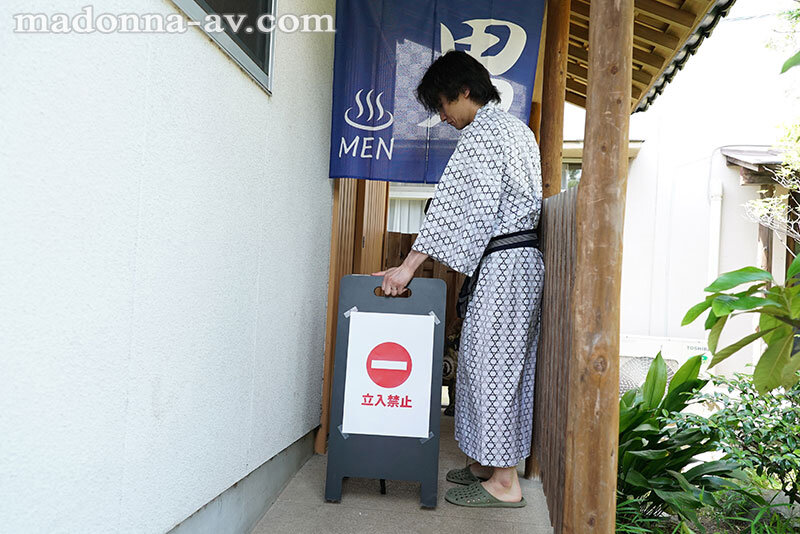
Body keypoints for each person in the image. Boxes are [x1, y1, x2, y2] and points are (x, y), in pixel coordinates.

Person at [373, 50, 544, 508]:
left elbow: (456, 208)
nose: (443, 117)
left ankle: (505, 482)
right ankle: (488, 464)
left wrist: (408, 266)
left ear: (465, 91)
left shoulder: (485, 134)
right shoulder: (515, 129)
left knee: (495, 369)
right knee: (487, 363)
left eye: (444, 105)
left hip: (507, 264)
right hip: (513, 262)